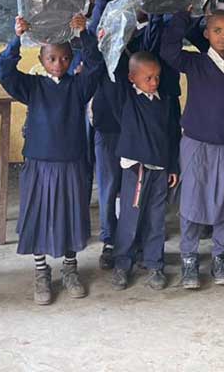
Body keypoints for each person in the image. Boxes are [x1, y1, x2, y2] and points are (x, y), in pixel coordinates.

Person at [0, 14, 99, 305]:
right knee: (39, 215)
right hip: (39, 164)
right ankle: (41, 272)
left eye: (65, 58)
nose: (58, 64)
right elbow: (4, 71)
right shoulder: (33, 87)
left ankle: (70, 269)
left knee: (71, 215)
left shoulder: (78, 87)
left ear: (72, 59)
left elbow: (97, 67)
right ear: (41, 60)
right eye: (51, 58)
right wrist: (17, 38)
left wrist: (84, 34)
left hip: (72, 162)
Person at [88, 0, 182, 270]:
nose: (133, 7)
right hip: (110, 123)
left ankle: (141, 242)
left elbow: (158, 25)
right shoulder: (109, 38)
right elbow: (94, 32)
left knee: (144, 190)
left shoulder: (146, 41)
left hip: (146, 124)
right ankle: (111, 241)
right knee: (111, 185)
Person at [160, 8, 224, 289]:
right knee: (192, 204)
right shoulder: (196, 62)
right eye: (217, 30)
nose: (223, 36)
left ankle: (220, 256)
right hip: (195, 145)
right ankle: (189, 258)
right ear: (206, 33)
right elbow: (168, 50)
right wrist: (182, 16)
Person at [88, 46, 179, 291]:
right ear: (132, 78)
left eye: (157, 77)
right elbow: (110, 76)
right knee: (130, 219)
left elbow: (172, 137)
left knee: (156, 219)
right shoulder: (126, 101)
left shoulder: (164, 102)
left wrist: (173, 167)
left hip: (159, 169)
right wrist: (101, 42)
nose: (154, 82)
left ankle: (154, 263)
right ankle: (122, 263)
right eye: (148, 78)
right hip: (135, 169)